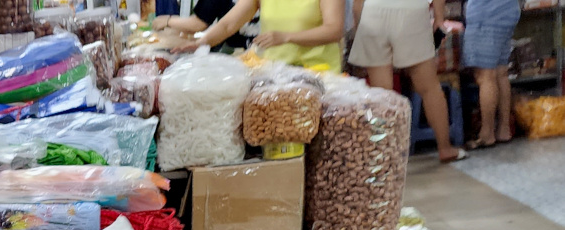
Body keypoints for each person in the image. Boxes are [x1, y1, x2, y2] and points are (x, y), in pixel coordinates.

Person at [350, 0, 464, 160]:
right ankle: (445, 148)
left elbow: (357, 4)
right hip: (411, 11)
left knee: (381, 94)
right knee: (429, 88)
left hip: (373, 12)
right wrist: (439, 18)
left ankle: (385, 155)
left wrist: (359, 27)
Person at [192, 0, 345, 69]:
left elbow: (334, 30)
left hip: (318, 72)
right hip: (274, 71)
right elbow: (229, 25)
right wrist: (201, 43)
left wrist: (287, 37)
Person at [461, 0, 520, 147]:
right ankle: (504, 130)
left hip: (486, 14)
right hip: (508, 10)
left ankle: (487, 133)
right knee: (501, 72)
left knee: (485, 76)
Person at [154, 0, 250, 49]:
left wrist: (167, 21)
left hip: (240, 51)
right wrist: (198, 43)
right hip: (243, 49)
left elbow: (198, 24)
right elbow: (227, 26)